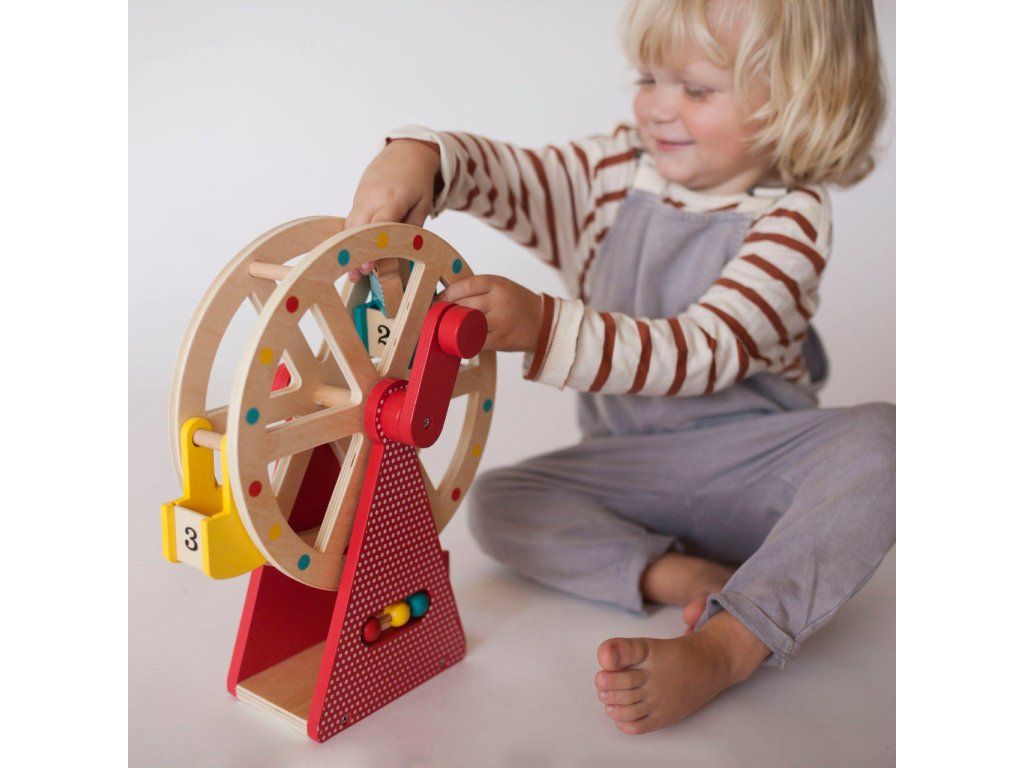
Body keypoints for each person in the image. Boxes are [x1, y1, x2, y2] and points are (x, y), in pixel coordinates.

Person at [343, 0, 893, 736]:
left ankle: (729, 644)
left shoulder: (793, 219)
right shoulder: (613, 171)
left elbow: (699, 351)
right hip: (630, 472)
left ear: (800, 100)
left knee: (886, 444)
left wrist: (543, 328)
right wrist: (424, 155)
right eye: (648, 79)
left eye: (696, 89)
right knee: (499, 502)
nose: (658, 107)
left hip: (756, 479)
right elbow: (515, 177)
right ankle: (675, 573)